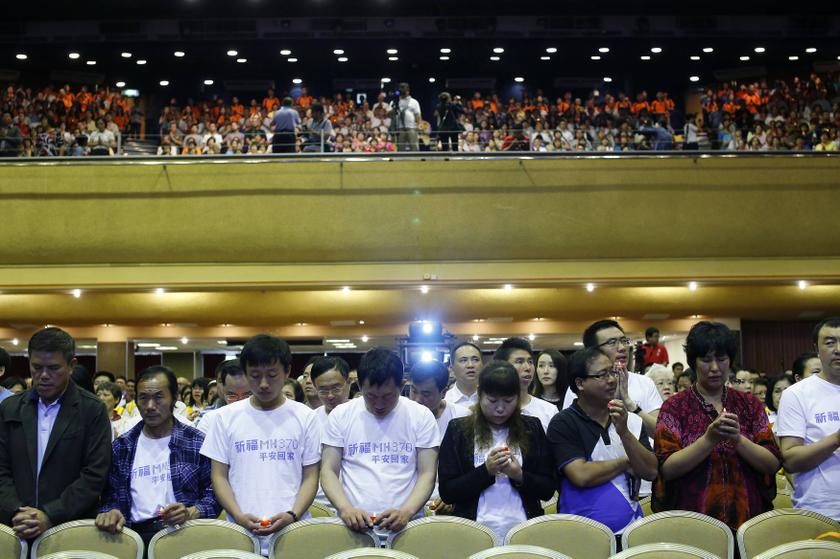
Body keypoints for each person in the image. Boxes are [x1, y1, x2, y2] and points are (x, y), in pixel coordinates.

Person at [653, 321, 781, 530]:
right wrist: (709, 440)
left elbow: (772, 463)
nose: (714, 368)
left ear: (730, 361)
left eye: (721, 359)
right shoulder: (675, 407)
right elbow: (666, 468)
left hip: (748, 516)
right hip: (693, 520)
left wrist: (738, 440)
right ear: (693, 362)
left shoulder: (749, 404)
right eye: (705, 360)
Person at [200, 335, 321, 554]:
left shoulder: (305, 417)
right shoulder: (224, 417)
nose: (264, 384)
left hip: (293, 531)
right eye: (255, 376)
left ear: (287, 372)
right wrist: (237, 515)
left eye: (272, 375)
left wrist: (292, 514)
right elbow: (219, 475)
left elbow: (311, 475)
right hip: (240, 531)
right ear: (246, 374)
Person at [0, 327, 112, 539]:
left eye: (53, 368)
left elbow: (95, 474)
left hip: (69, 527)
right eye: (36, 367)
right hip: (15, 526)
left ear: (72, 366)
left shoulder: (91, 410)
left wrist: (51, 514)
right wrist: (15, 510)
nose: (43, 376)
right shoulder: (10, 408)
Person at [95, 366, 219, 552]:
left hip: (185, 533)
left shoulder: (196, 442)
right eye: (143, 397)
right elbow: (109, 496)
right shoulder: (122, 447)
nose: (150, 406)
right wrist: (111, 511)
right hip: (132, 536)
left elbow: (214, 494)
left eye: (159, 397)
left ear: (175, 398)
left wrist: (192, 512)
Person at [321, 348, 438, 538]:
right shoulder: (341, 415)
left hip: (406, 527)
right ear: (359, 386)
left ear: (402, 386)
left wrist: (407, 511)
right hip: (354, 527)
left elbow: (427, 473)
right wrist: (345, 509)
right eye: (371, 396)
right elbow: (328, 470)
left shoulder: (421, 416)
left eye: (388, 396)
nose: (379, 405)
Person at [438, 361, 555, 540]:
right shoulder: (458, 430)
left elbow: (547, 488)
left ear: (517, 398)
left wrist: (519, 475)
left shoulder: (532, 428)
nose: (500, 408)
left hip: (524, 529)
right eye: (492, 401)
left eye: (508, 401)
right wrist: (486, 471)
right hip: (473, 531)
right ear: (479, 394)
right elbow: (447, 492)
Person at [548, 348, 657, 535]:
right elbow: (581, 475)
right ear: (580, 383)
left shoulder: (629, 419)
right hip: (581, 534)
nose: (612, 380)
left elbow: (651, 471)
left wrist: (624, 432)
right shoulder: (563, 422)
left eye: (612, 372)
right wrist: (625, 462)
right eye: (602, 375)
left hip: (631, 531)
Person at [777, 317, 840, 520]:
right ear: (817, 348)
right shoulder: (797, 394)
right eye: (830, 342)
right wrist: (836, 439)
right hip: (820, 512)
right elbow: (790, 461)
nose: (838, 349)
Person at [563, 320, 662, 437]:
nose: (622, 348)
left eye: (624, 341)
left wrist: (630, 404)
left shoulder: (644, 383)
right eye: (612, 342)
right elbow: (572, 432)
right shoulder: (583, 386)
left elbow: (660, 434)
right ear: (593, 351)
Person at [408, 360, 470, 515]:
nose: (417, 399)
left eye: (426, 394)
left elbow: (469, 469)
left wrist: (454, 495)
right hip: (408, 500)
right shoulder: (400, 417)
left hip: (449, 501)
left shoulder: (463, 417)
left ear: (443, 392)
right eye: (413, 391)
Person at [310, 356, 352, 513]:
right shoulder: (309, 420)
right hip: (317, 504)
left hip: (354, 504)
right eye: (323, 390)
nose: (330, 396)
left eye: (336, 388)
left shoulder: (363, 417)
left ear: (349, 382)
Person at [495, 338, 558, 431]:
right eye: (520, 362)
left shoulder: (549, 411)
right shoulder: (491, 410)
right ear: (502, 367)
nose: (528, 368)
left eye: (530, 362)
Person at [196, 360, 251, 435]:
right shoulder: (209, 418)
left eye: (246, 395)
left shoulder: (263, 415)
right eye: (232, 396)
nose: (239, 401)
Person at [444, 341, 483, 407]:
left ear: (482, 365)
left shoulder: (492, 399)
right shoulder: (445, 401)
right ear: (452, 368)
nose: (470, 365)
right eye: (463, 360)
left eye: (475, 360)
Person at [396, 83, 422, 151]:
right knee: (401, 147)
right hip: (401, 127)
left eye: (403, 90)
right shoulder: (397, 102)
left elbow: (417, 115)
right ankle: (400, 160)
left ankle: (416, 160)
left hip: (412, 127)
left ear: (408, 91)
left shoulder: (414, 102)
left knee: (414, 147)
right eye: (401, 90)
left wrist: (419, 125)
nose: (402, 92)